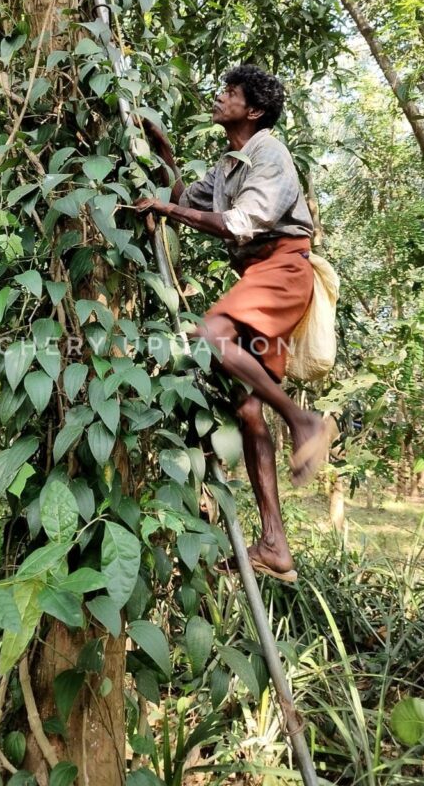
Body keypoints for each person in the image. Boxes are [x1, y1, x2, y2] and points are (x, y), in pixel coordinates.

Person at [135, 64, 335, 582]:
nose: (220, 97)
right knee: (248, 407)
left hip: (283, 269)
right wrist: (164, 153)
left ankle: (302, 420)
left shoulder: (270, 153)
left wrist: (165, 210)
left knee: (210, 334)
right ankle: (275, 545)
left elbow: (240, 223)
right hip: (261, 273)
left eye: (231, 93)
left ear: (255, 110)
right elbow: (185, 201)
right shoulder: (229, 165)